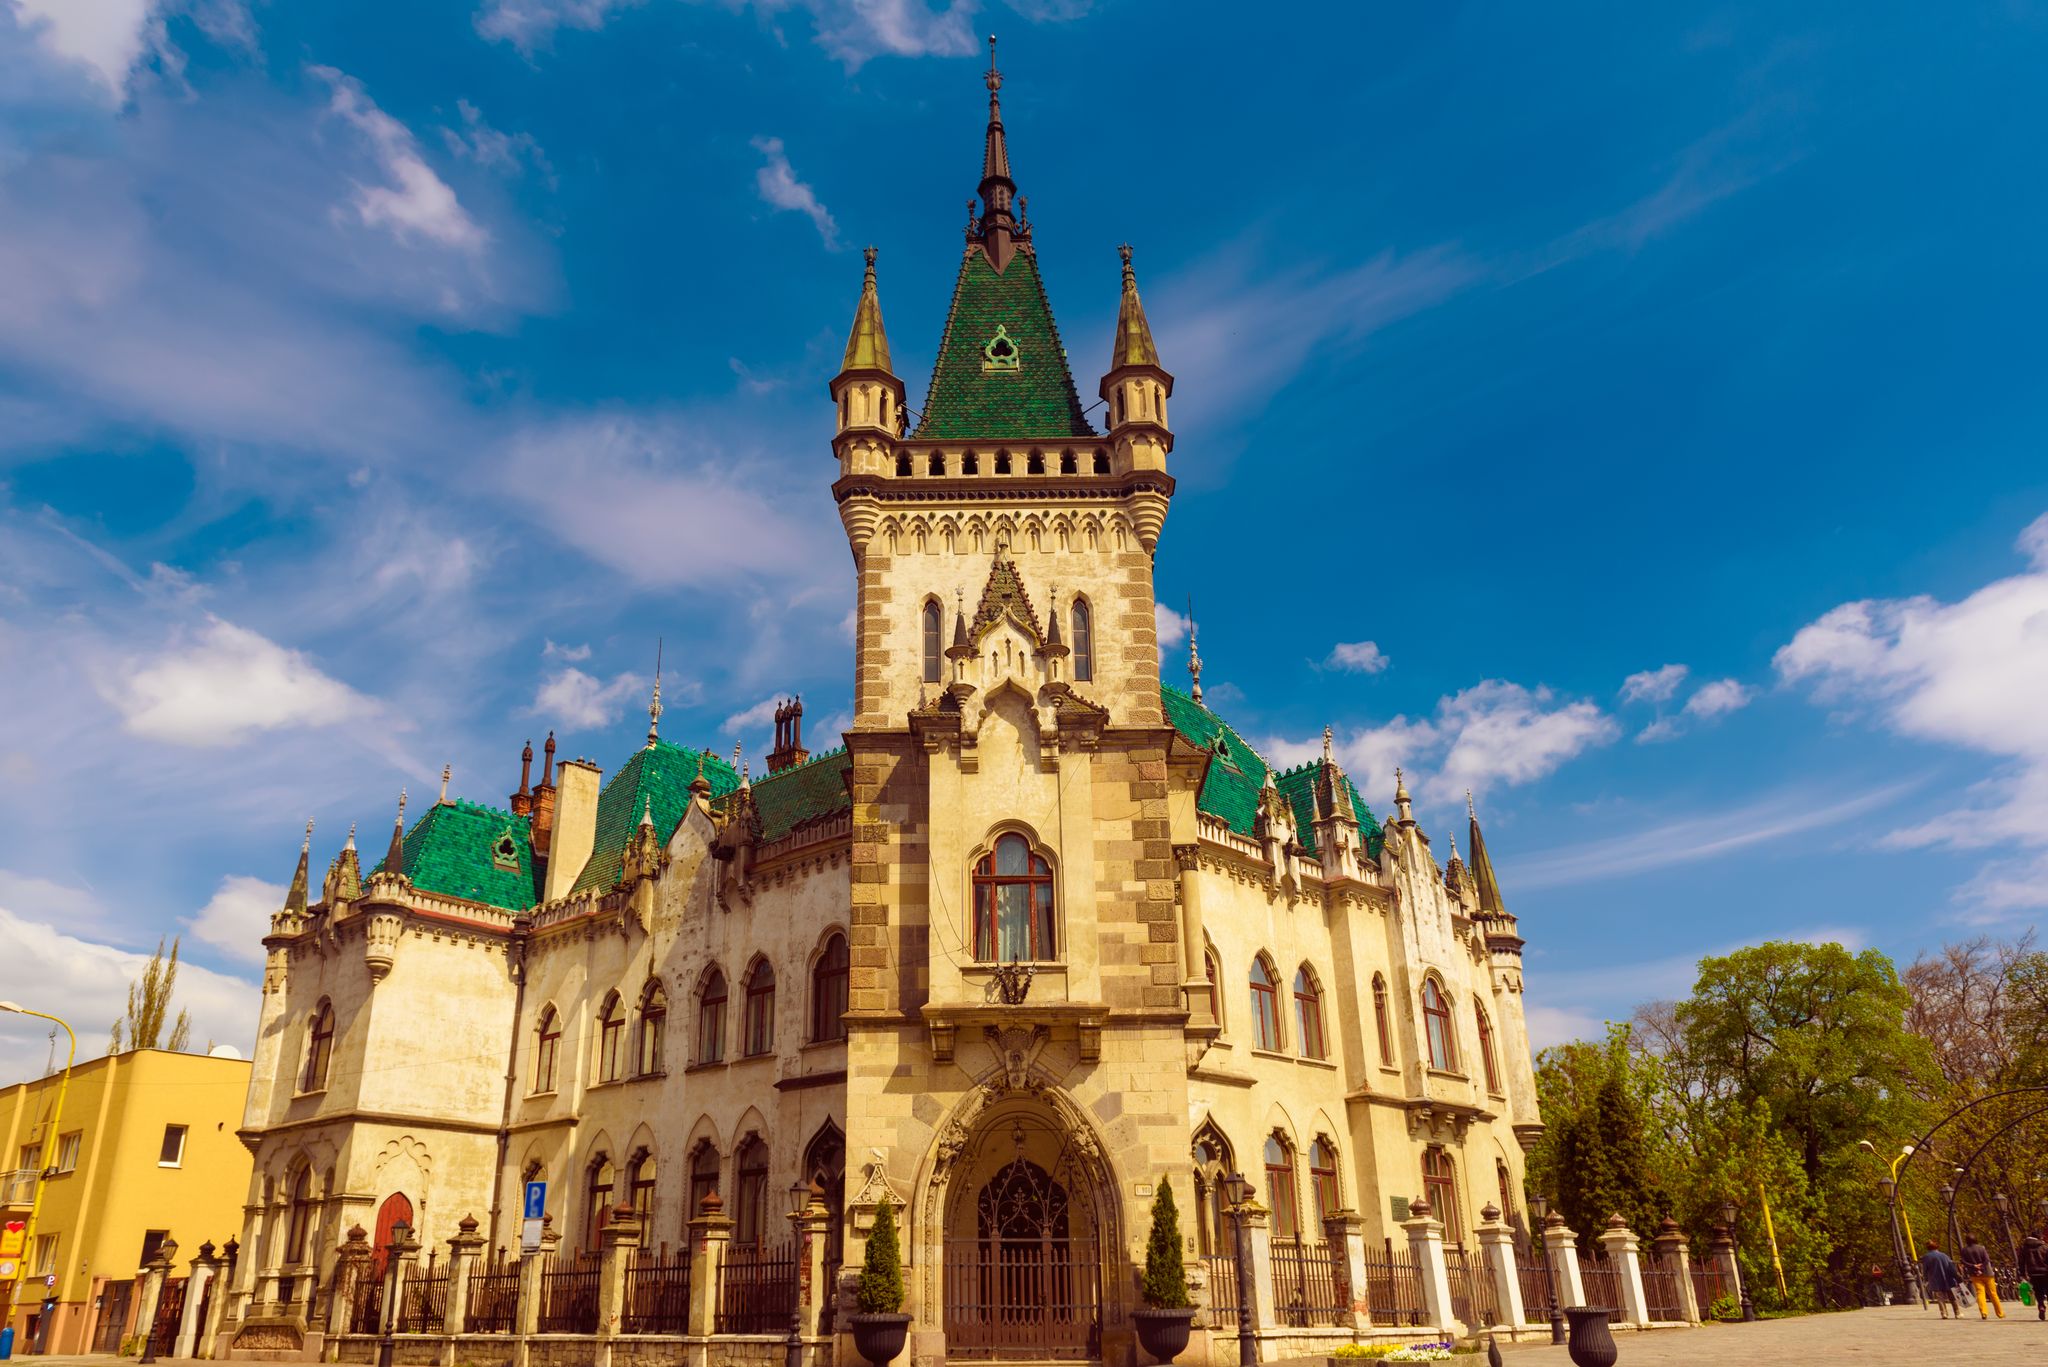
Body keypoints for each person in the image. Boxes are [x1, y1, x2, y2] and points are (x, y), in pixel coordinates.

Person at [1959, 1232, 2004, 1320]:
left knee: (1980, 1293)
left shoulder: (1964, 1250)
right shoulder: (1981, 1248)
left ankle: (1983, 1312)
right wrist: (1981, 1267)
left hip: (1974, 1274)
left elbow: (1963, 1261)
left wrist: (1974, 1267)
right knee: (1993, 1294)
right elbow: (1987, 1259)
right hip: (1987, 1273)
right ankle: (2000, 1313)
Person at [1921, 1240, 1964, 1320]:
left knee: (1940, 1298)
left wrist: (1925, 1279)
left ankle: (1944, 1313)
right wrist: (1956, 1276)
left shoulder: (1926, 1257)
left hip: (1935, 1279)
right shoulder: (1944, 1255)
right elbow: (1951, 1267)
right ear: (1937, 1246)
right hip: (1947, 1279)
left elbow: (1925, 1269)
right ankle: (1957, 1313)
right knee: (1952, 1297)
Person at [2020, 1233, 2048, 1321]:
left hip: (2033, 1273)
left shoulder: (2024, 1248)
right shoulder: (2044, 1247)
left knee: (2038, 1292)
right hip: (2046, 1273)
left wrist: (2022, 1274)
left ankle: (2041, 1306)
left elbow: (2021, 1262)